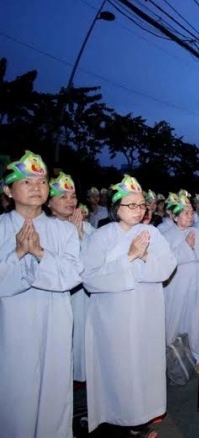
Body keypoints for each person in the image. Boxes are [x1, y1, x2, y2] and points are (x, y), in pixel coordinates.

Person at [82, 174, 177, 436]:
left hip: (147, 311)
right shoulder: (101, 235)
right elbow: (90, 278)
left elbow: (168, 266)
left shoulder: (153, 233)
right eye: (131, 205)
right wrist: (130, 257)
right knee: (118, 366)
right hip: (114, 316)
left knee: (144, 365)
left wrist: (145, 256)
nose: (138, 210)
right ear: (116, 208)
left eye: (141, 205)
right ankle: (116, 422)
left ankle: (141, 419)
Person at [0, 151, 83, 438]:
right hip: (12, 324)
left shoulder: (64, 231)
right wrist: (18, 254)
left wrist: (39, 253)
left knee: (54, 387)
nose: (37, 187)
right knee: (14, 389)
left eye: (42, 181)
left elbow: (72, 275)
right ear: (8, 190)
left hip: (55, 319)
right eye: (27, 182)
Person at [47, 172, 94, 384]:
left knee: (83, 334)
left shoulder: (88, 226)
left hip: (85, 294)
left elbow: (95, 259)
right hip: (58, 294)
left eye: (73, 196)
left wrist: (81, 234)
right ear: (49, 202)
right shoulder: (45, 227)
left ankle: (82, 376)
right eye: (63, 197)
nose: (70, 201)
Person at [162, 193, 199, 362]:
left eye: (191, 212)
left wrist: (190, 251)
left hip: (198, 280)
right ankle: (173, 352)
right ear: (175, 217)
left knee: (196, 316)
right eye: (186, 213)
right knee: (177, 316)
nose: (191, 216)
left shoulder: (197, 232)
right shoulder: (167, 235)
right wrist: (187, 248)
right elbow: (169, 259)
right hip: (178, 283)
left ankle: (196, 351)